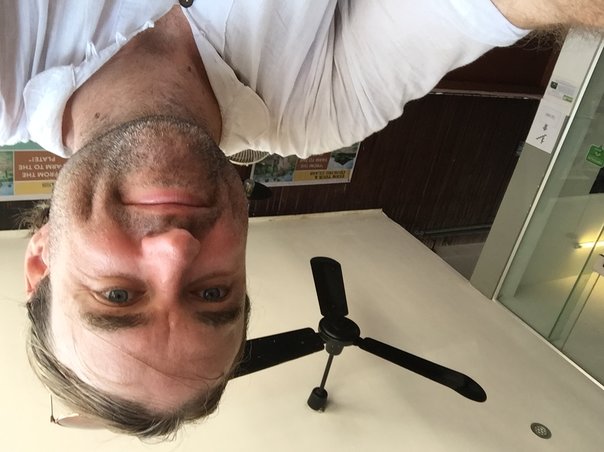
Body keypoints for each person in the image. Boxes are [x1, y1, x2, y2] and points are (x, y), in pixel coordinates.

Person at [1, 0, 602, 440]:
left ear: (42, 257)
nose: (175, 250)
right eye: (212, 292)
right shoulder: (323, 105)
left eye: (117, 295)